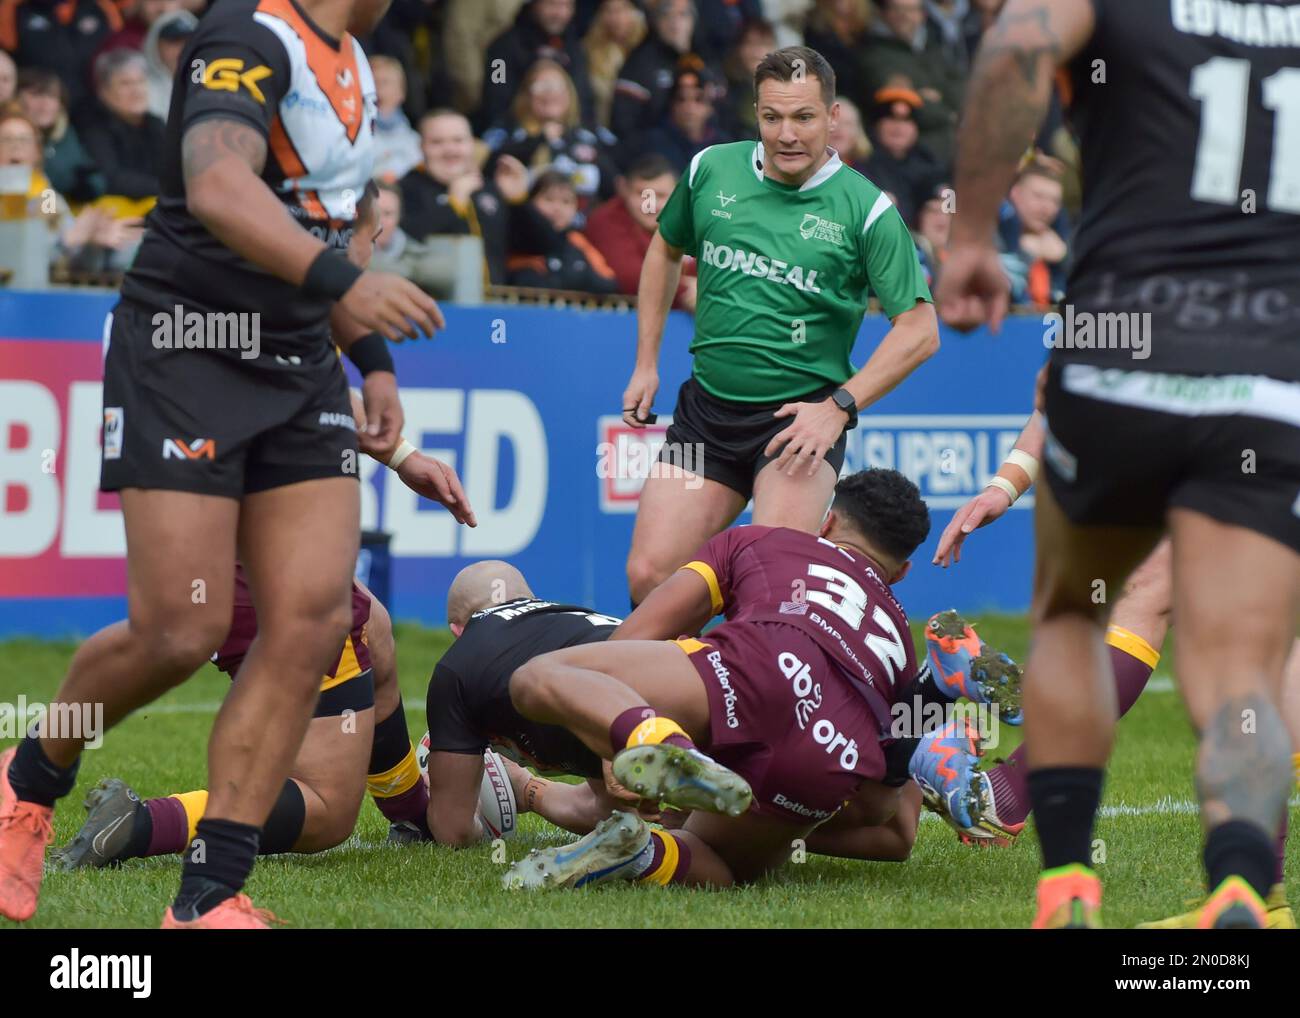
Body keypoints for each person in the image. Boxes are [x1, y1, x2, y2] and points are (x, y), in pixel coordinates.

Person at [0, 0, 451, 930]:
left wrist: (372, 364)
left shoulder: (358, 65)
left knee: (317, 615)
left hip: (296, 366)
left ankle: (208, 898)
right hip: (185, 349)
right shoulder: (249, 36)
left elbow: (328, 236)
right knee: (180, 628)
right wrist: (348, 285)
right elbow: (215, 188)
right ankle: (28, 779)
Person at [935, 0, 1300, 929]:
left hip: (1122, 343)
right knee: (1244, 670)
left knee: (1068, 614)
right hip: (1269, 368)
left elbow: (1014, 45)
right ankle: (1244, 880)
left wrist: (972, 232)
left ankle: (1066, 886)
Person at [500, 469, 985, 889]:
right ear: (900, 572)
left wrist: (617, 737)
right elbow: (889, 813)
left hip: (758, 669)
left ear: (828, 522)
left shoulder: (764, 540)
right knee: (723, 865)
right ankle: (643, 854)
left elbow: (637, 636)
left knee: (539, 677)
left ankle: (670, 747)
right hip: (832, 753)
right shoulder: (898, 634)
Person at [621, 45, 938, 607]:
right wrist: (646, 363)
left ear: (833, 117)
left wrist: (837, 407)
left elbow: (919, 330)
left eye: (804, 117)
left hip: (799, 424)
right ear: (756, 114)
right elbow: (665, 249)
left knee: (774, 593)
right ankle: (676, 693)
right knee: (651, 578)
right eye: (773, 117)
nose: (786, 134)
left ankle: (752, 687)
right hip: (707, 414)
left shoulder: (867, 211)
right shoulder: (709, 169)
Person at [399, 109, 530, 285]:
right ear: (421, 146)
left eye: (458, 140)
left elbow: (531, 246)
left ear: (471, 144)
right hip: (434, 305)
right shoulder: (406, 188)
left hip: (495, 304)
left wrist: (518, 202)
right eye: (437, 142)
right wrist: (453, 206)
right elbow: (404, 240)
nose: (450, 150)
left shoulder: (489, 187)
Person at [483, 58, 618, 207]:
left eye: (557, 86)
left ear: (569, 93)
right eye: (541, 86)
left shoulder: (590, 136)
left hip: (584, 225)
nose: (550, 93)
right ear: (526, 95)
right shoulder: (507, 132)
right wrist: (539, 139)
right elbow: (490, 171)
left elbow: (615, 187)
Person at [583, 152, 696, 309]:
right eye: (643, 195)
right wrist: (686, 291)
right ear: (624, 190)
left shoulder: (686, 222)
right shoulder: (606, 220)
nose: (650, 205)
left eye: (661, 196)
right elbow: (632, 277)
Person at [478, 0, 596, 131]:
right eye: (552, 4)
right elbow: (495, 101)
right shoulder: (502, 48)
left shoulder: (574, 47)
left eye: (566, 6)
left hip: (568, 133)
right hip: (518, 134)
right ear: (534, 5)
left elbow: (584, 98)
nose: (560, 13)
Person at [506, 170, 619, 293]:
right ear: (531, 202)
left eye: (566, 202)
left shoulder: (576, 239)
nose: (557, 208)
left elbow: (607, 282)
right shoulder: (517, 237)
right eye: (549, 199)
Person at [78, 49, 166, 203]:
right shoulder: (92, 126)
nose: (136, 90)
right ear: (103, 91)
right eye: (125, 83)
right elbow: (112, 179)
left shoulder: (155, 123)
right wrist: (169, 189)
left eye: (140, 81)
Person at [609, 0, 698, 142]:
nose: (675, 22)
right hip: (656, 150)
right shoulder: (638, 63)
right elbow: (625, 125)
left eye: (683, 15)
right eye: (667, 15)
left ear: (693, 21)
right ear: (656, 22)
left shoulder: (705, 60)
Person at [15, 68, 104, 203]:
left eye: (52, 96)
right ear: (18, 99)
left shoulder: (66, 134)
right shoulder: (10, 133)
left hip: (61, 207)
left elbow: (93, 173)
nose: (45, 103)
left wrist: (88, 186)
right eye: (36, 94)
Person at [628, 64, 728, 175]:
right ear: (672, 105)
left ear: (711, 108)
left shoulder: (723, 147)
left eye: (698, 99)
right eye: (681, 99)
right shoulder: (650, 144)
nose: (689, 107)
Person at [582, 0, 645, 129]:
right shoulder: (587, 51)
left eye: (622, 9)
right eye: (608, 10)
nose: (616, 17)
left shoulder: (648, 48)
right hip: (603, 124)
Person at [370, 54, 422, 180]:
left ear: (401, 92)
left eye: (385, 82)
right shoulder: (349, 138)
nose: (377, 89)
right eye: (372, 82)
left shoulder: (416, 142)